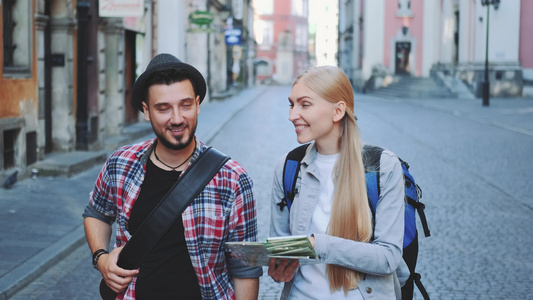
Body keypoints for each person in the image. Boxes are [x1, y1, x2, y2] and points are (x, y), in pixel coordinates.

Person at [83, 53, 262, 300]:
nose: (177, 119)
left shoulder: (232, 179)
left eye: (185, 105)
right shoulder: (121, 163)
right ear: (146, 111)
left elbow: (245, 267)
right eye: (163, 108)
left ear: (198, 104)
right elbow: (97, 212)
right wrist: (100, 258)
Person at [268, 66, 409, 299]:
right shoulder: (288, 167)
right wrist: (278, 267)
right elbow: (281, 248)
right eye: (291, 104)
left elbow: (388, 258)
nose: (292, 115)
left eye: (304, 104)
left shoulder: (383, 167)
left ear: (338, 111)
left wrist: (318, 245)